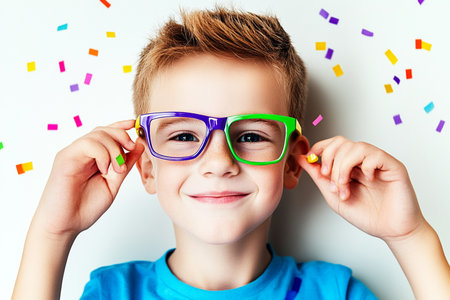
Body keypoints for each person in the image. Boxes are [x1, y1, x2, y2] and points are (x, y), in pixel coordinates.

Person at [12, 6, 450, 300]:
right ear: (146, 166)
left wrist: (410, 237)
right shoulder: (113, 291)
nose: (220, 163)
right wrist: (51, 233)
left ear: (295, 160)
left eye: (252, 136)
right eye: (183, 136)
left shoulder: (334, 292)